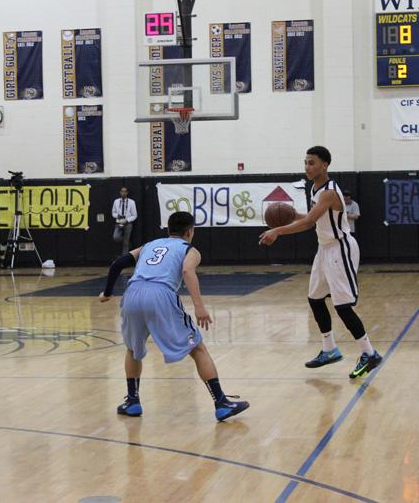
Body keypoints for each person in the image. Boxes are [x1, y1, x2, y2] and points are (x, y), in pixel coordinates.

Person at [99, 211, 249, 422]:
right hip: (160, 293)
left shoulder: (149, 245)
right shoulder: (190, 249)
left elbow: (117, 264)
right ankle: (221, 403)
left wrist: (107, 292)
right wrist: (199, 307)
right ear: (190, 232)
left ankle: (132, 402)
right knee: (197, 348)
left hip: (133, 293)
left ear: (168, 230)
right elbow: (188, 271)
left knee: (133, 349)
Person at [259, 146, 381, 379]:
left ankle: (370, 353)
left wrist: (277, 230)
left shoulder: (328, 192)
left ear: (325, 165)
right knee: (315, 299)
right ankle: (329, 349)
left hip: (339, 249)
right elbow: (312, 218)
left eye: (312, 162)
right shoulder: (315, 188)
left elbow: (309, 223)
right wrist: (293, 215)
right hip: (324, 249)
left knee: (343, 305)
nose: (307, 167)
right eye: (305, 162)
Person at [111, 187, 137, 255]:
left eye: (125, 191)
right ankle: (129, 243)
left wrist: (127, 220)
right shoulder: (116, 201)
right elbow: (113, 213)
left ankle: (124, 258)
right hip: (119, 222)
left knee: (126, 243)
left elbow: (135, 215)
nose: (123, 193)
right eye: (122, 191)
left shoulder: (132, 202)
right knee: (116, 237)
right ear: (120, 192)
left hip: (128, 223)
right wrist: (117, 216)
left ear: (127, 193)